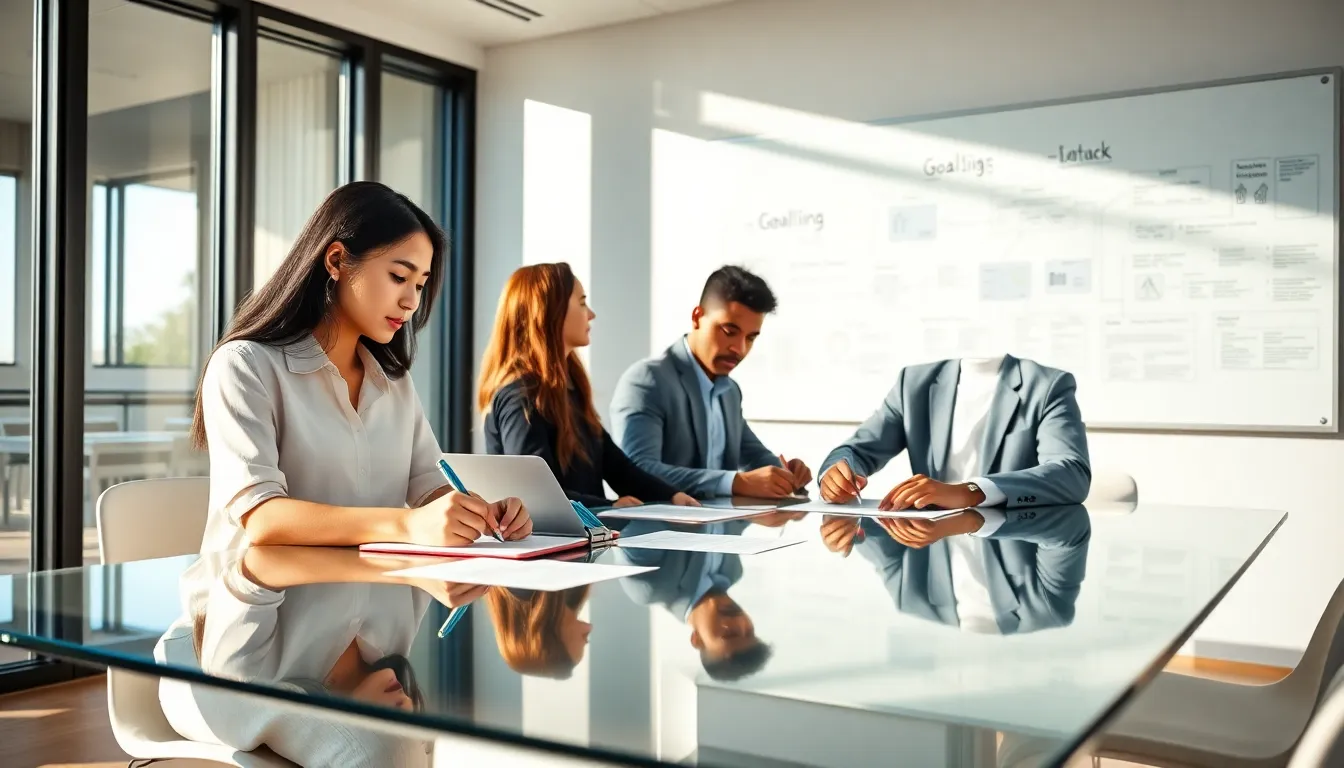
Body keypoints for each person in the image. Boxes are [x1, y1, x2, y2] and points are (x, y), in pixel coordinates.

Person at [188, 181, 530, 588]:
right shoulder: (244, 366)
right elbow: (263, 518)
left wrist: (479, 513)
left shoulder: (394, 382)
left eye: (420, 285)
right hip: (258, 602)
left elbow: (430, 486)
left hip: (372, 594)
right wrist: (408, 525)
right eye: (399, 276)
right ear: (336, 260)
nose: (411, 302)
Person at [478, 262, 698, 510]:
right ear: (551, 311)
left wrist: (672, 496)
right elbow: (535, 495)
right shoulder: (521, 397)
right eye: (582, 303)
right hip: (553, 535)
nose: (591, 314)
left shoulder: (567, 390)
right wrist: (609, 507)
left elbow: (618, 468)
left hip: (584, 531)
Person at [610, 266, 811, 499]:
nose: (739, 349)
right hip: (661, 522)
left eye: (750, 338)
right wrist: (734, 482)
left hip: (721, 521)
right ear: (697, 317)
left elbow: (753, 455)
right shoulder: (647, 380)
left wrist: (785, 474)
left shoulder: (730, 391)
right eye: (729, 331)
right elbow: (638, 471)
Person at [817, 354, 1091, 513]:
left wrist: (971, 491)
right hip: (928, 542)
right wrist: (837, 475)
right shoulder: (913, 383)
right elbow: (856, 451)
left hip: (1011, 541)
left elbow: (1072, 474)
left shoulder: (1048, 385)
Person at [819, 503, 1091, 635]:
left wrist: (847, 525)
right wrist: (848, 524)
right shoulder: (1046, 611)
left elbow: (873, 537)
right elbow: (1069, 533)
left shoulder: (912, 601)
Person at [613, 519, 772, 681]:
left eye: (729, 634)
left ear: (697, 640)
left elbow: (635, 523)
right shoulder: (732, 572)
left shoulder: (652, 587)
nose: (739, 621)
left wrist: (686, 519)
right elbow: (731, 523)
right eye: (749, 631)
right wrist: (766, 514)